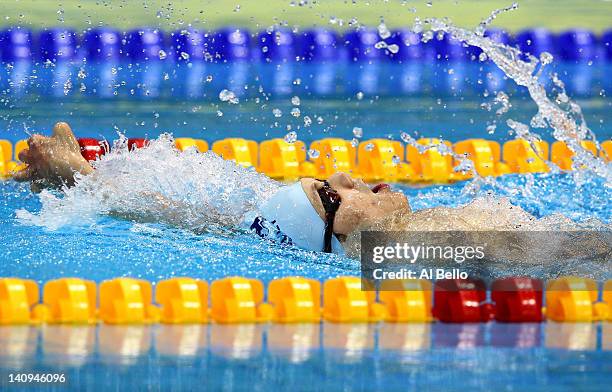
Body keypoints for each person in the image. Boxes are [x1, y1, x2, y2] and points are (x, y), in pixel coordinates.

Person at [13, 122, 607, 261]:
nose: (347, 177)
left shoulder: (398, 238)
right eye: (330, 195)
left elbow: (202, 219)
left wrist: (82, 179)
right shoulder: (432, 251)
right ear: (338, 235)